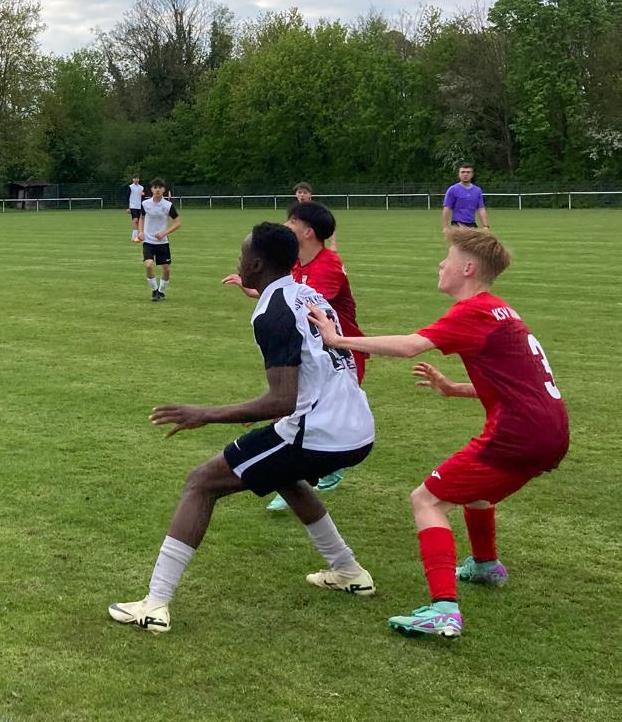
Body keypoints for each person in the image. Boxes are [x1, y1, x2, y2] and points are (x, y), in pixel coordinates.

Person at [109, 222, 376, 633]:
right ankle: (349, 571)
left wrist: (204, 413)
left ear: (255, 264)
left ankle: (155, 604)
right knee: (284, 477)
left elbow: (282, 399)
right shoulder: (309, 294)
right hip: (356, 425)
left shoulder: (272, 311)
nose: (238, 262)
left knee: (201, 482)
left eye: (241, 255)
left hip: (319, 431)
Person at [309, 227, 569, 640]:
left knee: (426, 499)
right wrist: (454, 388)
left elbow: (410, 346)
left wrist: (337, 339)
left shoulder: (474, 311)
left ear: (467, 269)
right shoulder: (501, 310)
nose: (441, 265)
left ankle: (444, 611)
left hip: (520, 433)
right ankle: (485, 565)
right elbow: (520, 383)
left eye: (448, 258)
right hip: (550, 429)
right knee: (475, 489)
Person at [226, 202, 367, 512]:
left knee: (303, 413)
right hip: (316, 348)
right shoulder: (300, 265)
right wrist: (252, 288)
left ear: (307, 232)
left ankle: (318, 471)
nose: (286, 225)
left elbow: (302, 306)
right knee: (293, 413)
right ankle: (299, 474)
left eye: (291, 221)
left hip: (340, 351)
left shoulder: (327, 265)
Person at [137, 178, 180, 301]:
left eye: (160, 187)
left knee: (166, 269)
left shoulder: (168, 205)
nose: (157, 190)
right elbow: (141, 218)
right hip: (148, 241)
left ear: (163, 190)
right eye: (155, 187)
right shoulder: (145, 204)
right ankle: (154, 290)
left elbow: (177, 223)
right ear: (151, 189)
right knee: (149, 265)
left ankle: (161, 291)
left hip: (162, 242)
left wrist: (164, 233)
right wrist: (141, 232)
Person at [442, 164, 489, 231]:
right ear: (459, 174)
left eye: (468, 172)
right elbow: (447, 208)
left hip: (472, 225)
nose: (465, 174)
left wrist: (485, 226)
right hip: (457, 225)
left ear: (472, 175)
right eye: (463, 172)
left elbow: (481, 209)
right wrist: (445, 227)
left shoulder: (477, 190)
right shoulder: (453, 189)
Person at [127, 176, 144, 242]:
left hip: (139, 207)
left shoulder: (141, 187)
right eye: (135, 178)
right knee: (135, 220)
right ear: (133, 179)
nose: (136, 179)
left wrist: (143, 206)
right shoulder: (130, 187)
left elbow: (143, 197)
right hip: (132, 206)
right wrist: (128, 207)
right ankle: (134, 237)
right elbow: (127, 197)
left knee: (139, 222)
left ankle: (138, 236)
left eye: (137, 178)